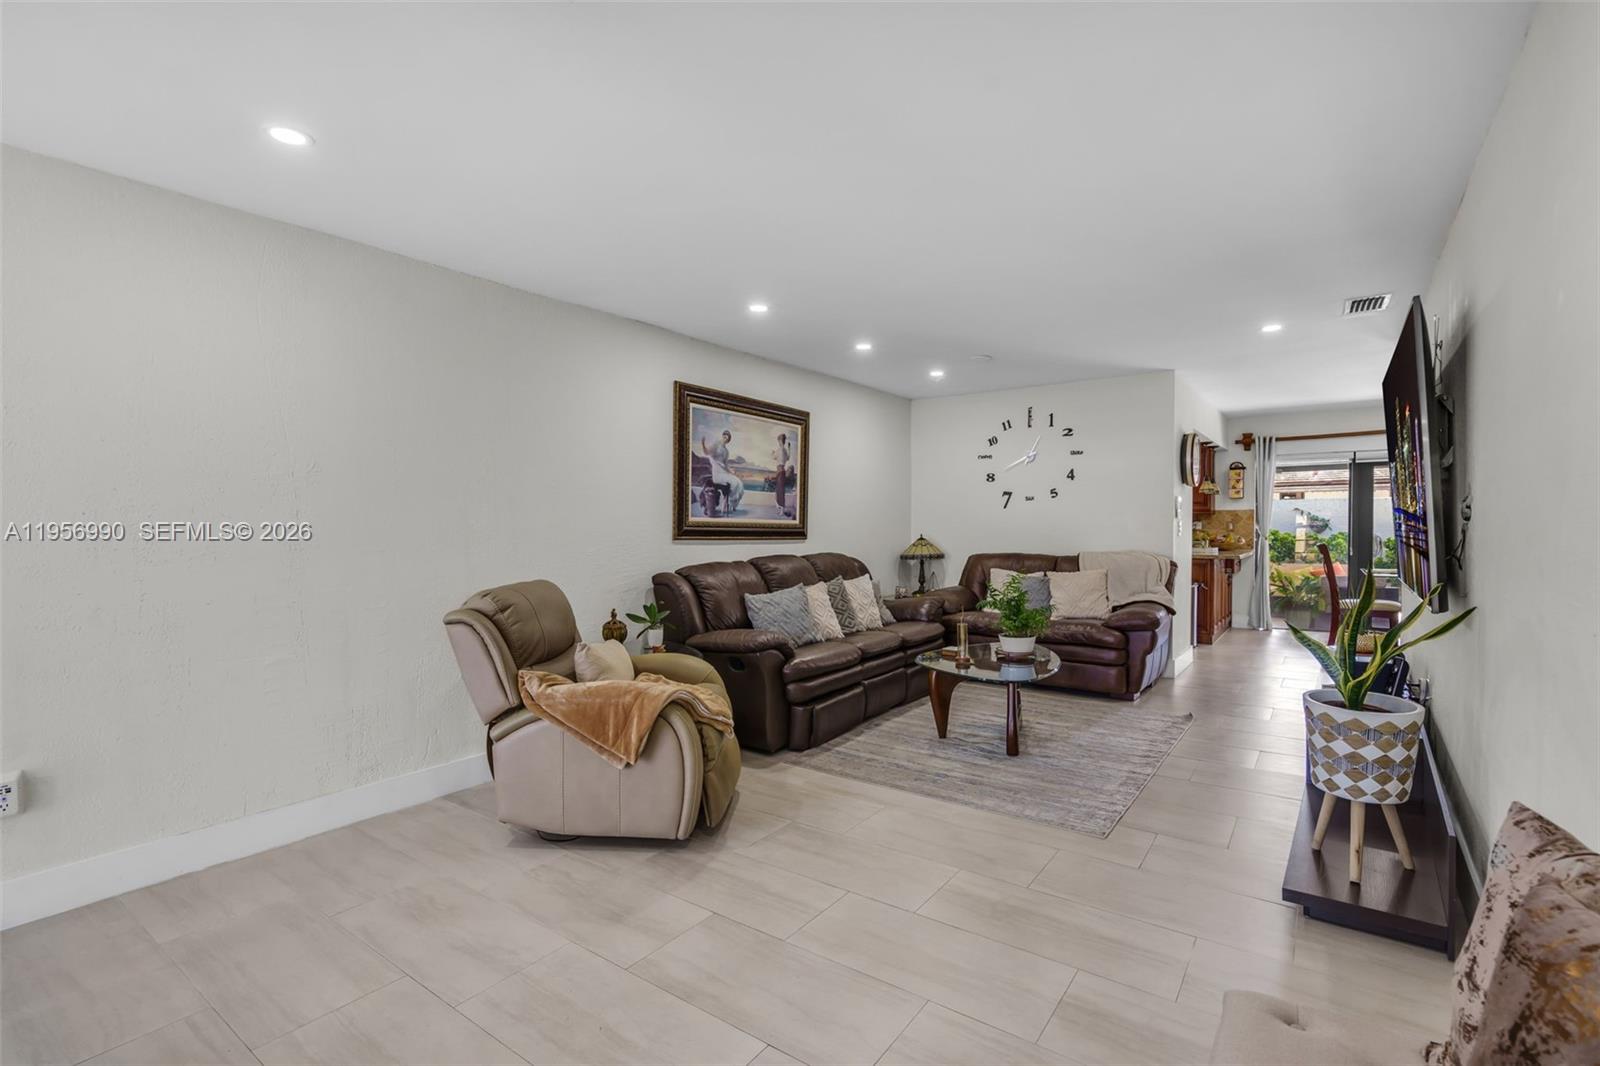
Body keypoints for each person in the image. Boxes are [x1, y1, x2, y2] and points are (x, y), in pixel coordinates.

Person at [699, 429, 745, 514]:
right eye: (724, 437)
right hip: (717, 473)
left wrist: (731, 471)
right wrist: (702, 444)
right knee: (734, 483)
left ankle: (729, 504)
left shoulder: (726, 451)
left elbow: (725, 464)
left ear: (728, 441)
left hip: (724, 472)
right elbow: (706, 452)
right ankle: (727, 504)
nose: (725, 439)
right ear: (722, 436)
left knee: (739, 483)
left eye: (727, 439)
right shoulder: (716, 445)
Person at [773, 433, 790, 512]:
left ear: (780, 441)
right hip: (782, 472)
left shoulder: (779, 450)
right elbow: (788, 458)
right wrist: (789, 449)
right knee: (780, 490)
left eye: (779, 440)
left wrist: (772, 453)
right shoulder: (785, 450)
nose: (778, 442)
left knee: (779, 490)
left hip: (779, 472)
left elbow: (774, 457)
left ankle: (781, 508)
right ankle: (780, 507)